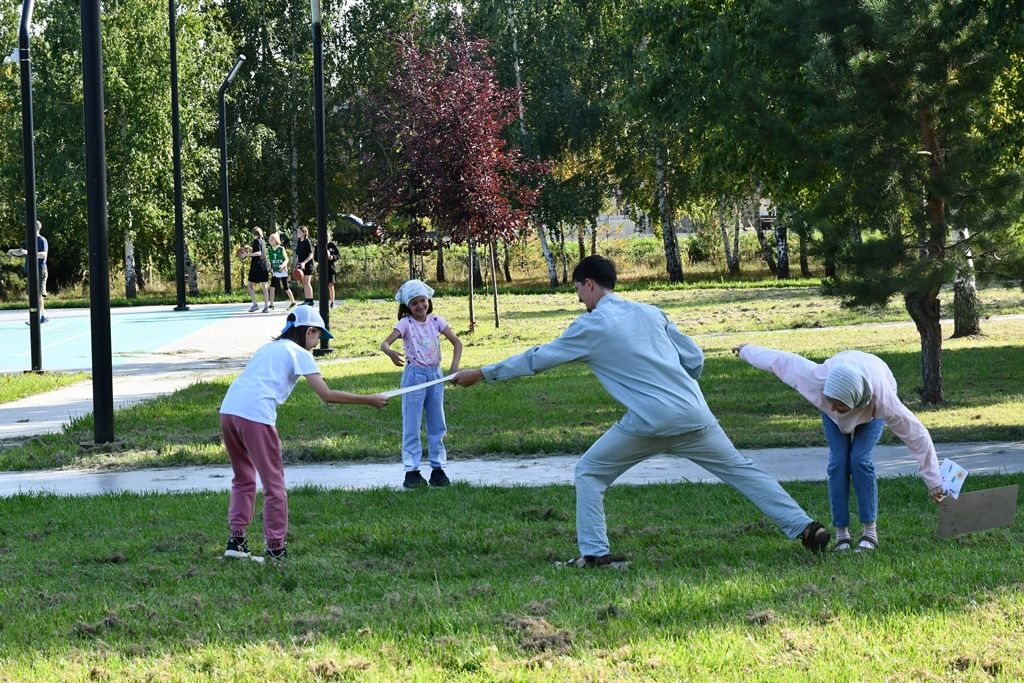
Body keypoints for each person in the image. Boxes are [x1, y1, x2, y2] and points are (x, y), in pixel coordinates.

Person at [452, 255, 831, 568]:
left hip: (650, 421)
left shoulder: (590, 326)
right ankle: (806, 528)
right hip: (695, 414)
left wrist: (483, 373)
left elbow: (537, 359)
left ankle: (596, 556)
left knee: (589, 472)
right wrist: (681, 386)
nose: (579, 300)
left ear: (589, 284)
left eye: (577, 291)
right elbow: (694, 358)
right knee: (743, 472)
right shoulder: (652, 312)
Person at [732, 344, 945, 552]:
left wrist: (933, 480)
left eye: (838, 405)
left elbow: (916, 434)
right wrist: (746, 350)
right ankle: (842, 535)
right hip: (841, 385)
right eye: (829, 402)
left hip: (870, 407)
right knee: (838, 463)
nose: (832, 408)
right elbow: (782, 361)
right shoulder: (818, 379)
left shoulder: (884, 400)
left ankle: (870, 533)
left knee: (860, 460)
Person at [219, 305, 388, 560]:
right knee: (274, 485)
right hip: (256, 415)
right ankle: (276, 549)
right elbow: (326, 395)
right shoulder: (299, 353)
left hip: (228, 411)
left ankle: (237, 542)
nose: (318, 341)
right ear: (309, 331)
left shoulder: (267, 348)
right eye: (318, 335)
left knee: (243, 478)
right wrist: (369, 399)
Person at [381, 279, 463, 489]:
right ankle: (412, 471)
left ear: (429, 300)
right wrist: (390, 352)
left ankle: (438, 468)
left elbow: (457, 342)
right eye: (414, 303)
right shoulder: (406, 323)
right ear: (407, 306)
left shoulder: (436, 320)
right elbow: (385, 343)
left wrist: (453, 368)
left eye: (423, 301)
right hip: (414, 377)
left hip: (436, 376)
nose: (420, 306)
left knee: (437, 423)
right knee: (412, 423)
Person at [6, 220, 48, 324]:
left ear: (36, 228)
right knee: (33, 295)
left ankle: (38, 317)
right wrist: (12, 251)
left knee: (38, 294)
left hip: (39, 269)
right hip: (30, 270)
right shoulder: (28, 241)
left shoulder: (41, 240)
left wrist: (28, 252)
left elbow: (43, 255)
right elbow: (21, 251)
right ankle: (43, 316)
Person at [267, 232, 297, 311]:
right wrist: (270, 267)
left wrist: (283, 265)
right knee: (272, 287)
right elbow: (270, 260)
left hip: (282, 270)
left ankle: (293, 302)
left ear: (276, 240)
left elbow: (286, 259)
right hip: (275, 270)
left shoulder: (281, 249)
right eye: (269, 239)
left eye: (272, 239)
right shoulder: (269, 250)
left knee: (286, 287)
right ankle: (271, 305)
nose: (270, 240)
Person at [246, 227, 271, 313]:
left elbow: (258, 253)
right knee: (264, 286)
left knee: (249, 285)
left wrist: (247, 254)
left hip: (256, 266)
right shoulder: (263, 241)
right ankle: (266, 306)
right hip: (264, 266)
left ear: (253, 234)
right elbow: (260, 250)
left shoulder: (256, 241)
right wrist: (250, 247)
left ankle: (255, 304)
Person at [294, 226, 315, 305]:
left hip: (308, 265)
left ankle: (311, 301)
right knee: (304, 283)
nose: (297, 233)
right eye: (297, 232)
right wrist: (296, 265)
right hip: (301, 265)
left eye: (299, 232)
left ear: (304, 233)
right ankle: (307, 300)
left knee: (307, 283)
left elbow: (311, 255)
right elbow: (298, 255)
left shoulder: (307, 241)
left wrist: (304, 263)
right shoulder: (299, 242)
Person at [317, 239, 340, 308]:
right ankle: (323, 302)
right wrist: (322, 257)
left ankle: (332, 302)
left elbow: (338, 255)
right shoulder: (318, 246)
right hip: (322, 268)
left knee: (331, 285)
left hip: (331, 268)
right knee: (323, 286)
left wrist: (332, 257)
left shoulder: (332, 245)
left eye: (327, 236)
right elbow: (315, 257)